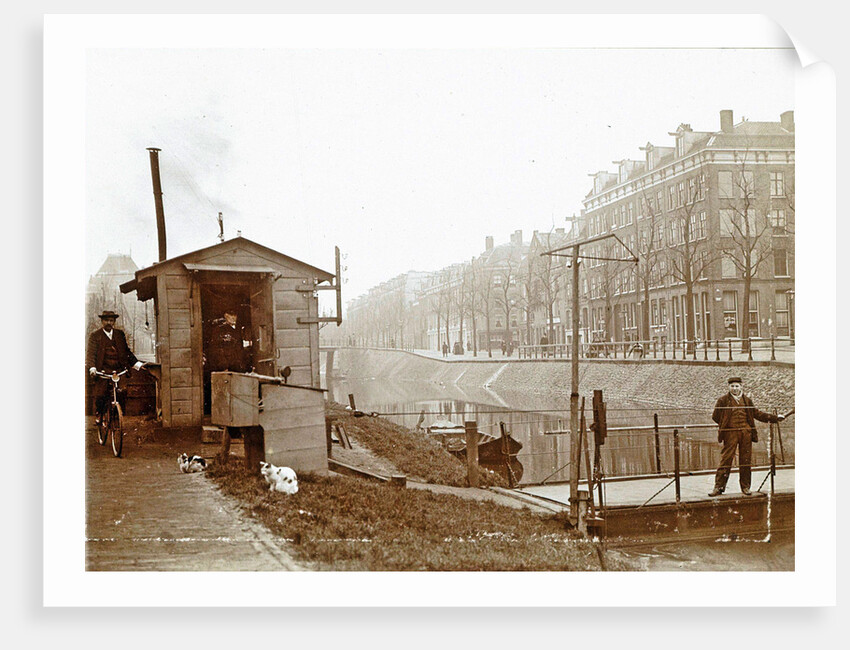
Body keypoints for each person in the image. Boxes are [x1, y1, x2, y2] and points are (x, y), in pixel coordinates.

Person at [709, 376, 784, 497]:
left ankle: (745, 487)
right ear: (728, 387)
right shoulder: (722, 400)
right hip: (730, 433)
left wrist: (775, 418)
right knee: (726, 459)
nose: (734, 388)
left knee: (745, 460)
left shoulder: (747, 401)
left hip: (746, 433)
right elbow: (715, 416)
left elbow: (757, 414)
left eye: (737, 386)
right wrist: (726, 425)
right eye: (732, 386)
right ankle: (719, 487)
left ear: (741, 387)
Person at [87, 310, 144, 423]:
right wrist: (92, 367)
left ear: (114, 322)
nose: (109, 322)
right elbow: (91, 354)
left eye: (111, 320)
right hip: (103, 370)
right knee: (101, 393)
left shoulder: (119, 334)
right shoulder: (95, 336)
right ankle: (99, 414)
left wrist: (136, 364)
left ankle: (118, 417)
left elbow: (126, 352)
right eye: (106, 320)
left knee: (121, 392)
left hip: (118, 370)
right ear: (102, 321)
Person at [206, 307, 252, 373]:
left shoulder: (238, 329)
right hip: (226, 366)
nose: (233, 317)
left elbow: (240, 347)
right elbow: (216, 349)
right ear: (225, 316)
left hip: (238, 365)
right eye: (230, 315)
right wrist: (223, 366)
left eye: (234, 315)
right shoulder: (219, 330)